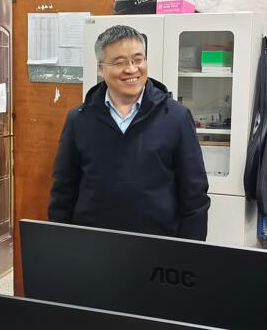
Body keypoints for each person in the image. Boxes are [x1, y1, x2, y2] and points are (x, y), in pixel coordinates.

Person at [49, 23, 209, 240]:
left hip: (158, 245)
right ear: (101, 68)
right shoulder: (79, 119)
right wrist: (61, 243)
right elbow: (63, 192)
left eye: (138, 60)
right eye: (120, 62)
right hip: (93, 245)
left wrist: (190, 251)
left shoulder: (176, 117)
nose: (132, 69)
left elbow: (194, 195)